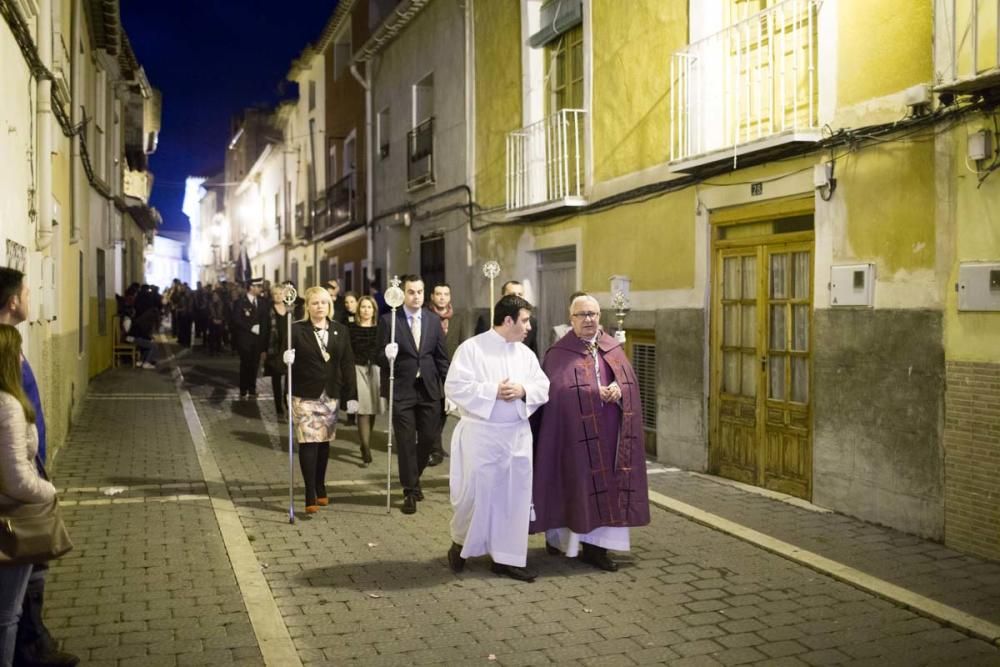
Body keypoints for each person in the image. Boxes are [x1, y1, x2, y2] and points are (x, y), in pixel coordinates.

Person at [529, 294, 650, 572]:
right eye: (582, 315)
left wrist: (621, 390)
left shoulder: (612, 348)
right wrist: (593, 393)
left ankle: (597, 549)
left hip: (609, 436)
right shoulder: (559, 353)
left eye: (593, 314)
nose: (589, 320)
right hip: (575, 439)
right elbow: (556, 392)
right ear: (571, 319)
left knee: (607, 487)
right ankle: (568, 542)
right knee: (577, 486)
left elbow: (630, 383)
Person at [0, 269, 78, 667]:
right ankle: (28, 652)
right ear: (13, 301)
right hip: (19, 483)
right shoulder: (3, 349)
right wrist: (41, 487)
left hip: (30, 468)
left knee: (34, 570)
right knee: (23, 575)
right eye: (27, 292)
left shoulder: (12, 342)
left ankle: (35, 644)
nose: (30, 297)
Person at [444, 295, 549, 582]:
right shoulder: (472, 349)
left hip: (516, 436)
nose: (529, 327)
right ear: (508, 320)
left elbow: (543, 385)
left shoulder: (525, 354)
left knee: (514, 498)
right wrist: (493, 391)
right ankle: (460, 545)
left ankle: (507, 558)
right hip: (482, 436)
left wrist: (524, 389)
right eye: (524, 320)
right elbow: (453, 386)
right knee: (476, 497)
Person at [376, 275, 449, 515]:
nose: (415, 296)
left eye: (419, 291)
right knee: (406, 443)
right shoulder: (390, 321)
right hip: (402, 389)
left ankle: (413, 478)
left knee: (428, 439)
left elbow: (440, 357)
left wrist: (449, 388)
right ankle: (409, 491)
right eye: (411, 292)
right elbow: (376, 355)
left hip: (428, 389)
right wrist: (387, 353)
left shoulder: (432, 320)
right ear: (403, 294)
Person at [284, 287, 357, 513]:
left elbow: (347, 364)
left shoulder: (340, 331)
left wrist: (352, 396)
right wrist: (286, 359)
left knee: (323, 442)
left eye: (324, 302)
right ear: (307, 306)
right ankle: (309, 492)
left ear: (330, 306)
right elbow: (279, 362)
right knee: (308, 442)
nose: (319, 307)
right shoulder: (296, 330)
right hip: (304, 394)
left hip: (330, 394)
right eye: (315, 303)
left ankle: (320, 484)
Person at [425, 281, 462, 467]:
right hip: (431, 371)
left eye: (446, 294)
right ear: (432, 296)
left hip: (451, 371)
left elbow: (463, 344)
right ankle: (434, 449)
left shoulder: (457, 318)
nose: (442, 298)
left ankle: (436, 445)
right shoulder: (425, 316)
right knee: (433, 411)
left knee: (444, 411)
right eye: (438, 294)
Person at [348, 296, 381, 466]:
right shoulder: (351, 328)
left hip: (376, 370)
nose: (366, 310)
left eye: (369, 307)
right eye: (363, 307)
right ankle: (366, 447)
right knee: (363, 410)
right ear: (358, 309)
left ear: (374, 310)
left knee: (373, 408)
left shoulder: (380, 328)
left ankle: (365, 442)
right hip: (358, 369)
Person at [231, 280, 270, 400]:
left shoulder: (263, 302)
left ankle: (252, 389)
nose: (260, 289)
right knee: (245, 364)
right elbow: (236, 320)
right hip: (245, 339)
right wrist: (250, 327)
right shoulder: (240, 302)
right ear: (251, 288)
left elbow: (266, 321)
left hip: (258, 340)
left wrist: (265, 341)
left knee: (255, 365)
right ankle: (243, 389)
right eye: (258, 286)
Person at [475, 280, 538, 354]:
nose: (516, 297)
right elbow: (479, 347)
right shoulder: (487, 320)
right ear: (503, 296)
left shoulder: (531, 322)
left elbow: (533, 350)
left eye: (520, 294)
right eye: (512, 294)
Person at [264, 286, 292, 418]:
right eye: (275, 294)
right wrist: (263, 350)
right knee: (276, 379)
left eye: (280, 293)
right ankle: (278, 407)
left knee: (289, 378)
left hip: (289, 348)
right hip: (274, 349)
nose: (278, 296)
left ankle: (287, 402)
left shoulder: (290, 309)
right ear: (272, 296)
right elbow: (264, 331)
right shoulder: (268, 310)